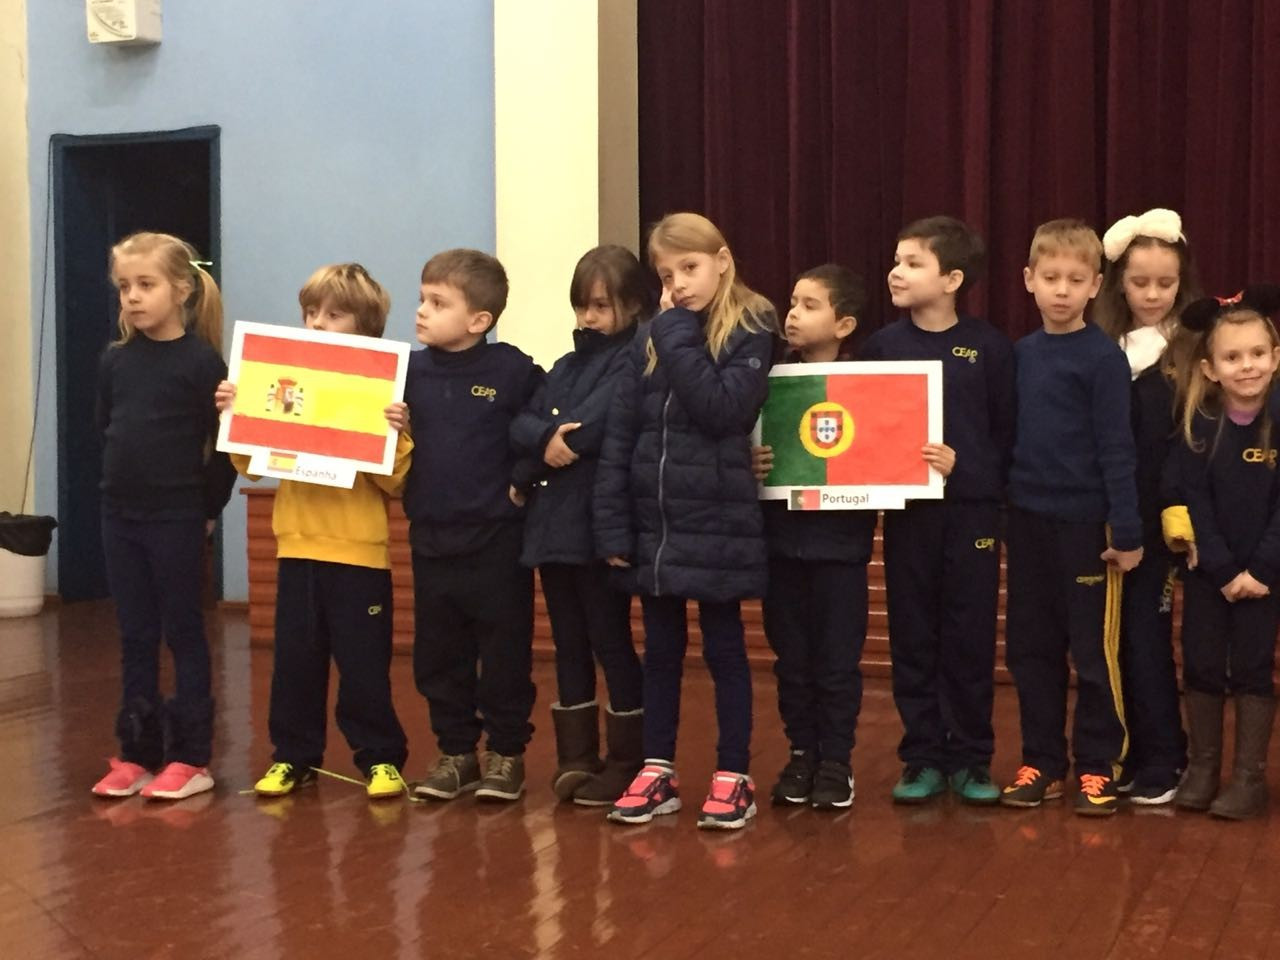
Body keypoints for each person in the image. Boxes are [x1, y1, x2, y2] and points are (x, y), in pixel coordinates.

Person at [595, 212, 774, 830]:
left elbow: (721, 409)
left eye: (690, 268)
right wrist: (613, 525)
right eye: (667, 275)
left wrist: (673, 330)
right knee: (662, 651)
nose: (679, 284)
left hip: (717, 523)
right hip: (656, 526)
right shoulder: (650, 338)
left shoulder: (751, 328)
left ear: (722, 261)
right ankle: (657, 771)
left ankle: (733, 775)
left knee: (725, 648)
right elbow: (621, 435)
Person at [217, 263, 411, 801]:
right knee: (294, 664)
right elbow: (249, 465)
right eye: (310, 313)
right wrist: (235, 414)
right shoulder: (287, 380)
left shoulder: (383, 395)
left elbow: (397, 480)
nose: (318, 323)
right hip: (298, 547)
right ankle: (293, 758)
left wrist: (391, 433)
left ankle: (380, 759)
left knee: (364, 667)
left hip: (360, 555)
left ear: (365, 327)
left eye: (334, 314)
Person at [862, 216, 1015, 805]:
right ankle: (922, 755)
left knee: (969, 638)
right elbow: (865, 433)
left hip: (972, 517)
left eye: (913, 263)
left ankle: (972, 758)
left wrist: (964, 468)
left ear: (952, 279)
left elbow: (1006, 437)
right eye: (896, 260)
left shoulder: (990, 347)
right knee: (913, 636)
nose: (896, 272)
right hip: (910, 519)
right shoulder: (882, 348)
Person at [1000, 219, 1142, 817]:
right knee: (1030, 649)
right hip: (1028, 524)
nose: (1062, 289)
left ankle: (1097, 765)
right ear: (1029, 279)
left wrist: (1126, 530)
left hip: (1089, 530)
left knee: (1094, 654)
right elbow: (1008, 439)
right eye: (1051, 277)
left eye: (1075, 279)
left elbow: (1117, 449)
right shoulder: (1020, 355)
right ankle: (1042, 762)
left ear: (1095, 286)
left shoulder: (1103, 358)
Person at [91, 231, 236, 801]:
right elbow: (105, 427)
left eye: (145, 285)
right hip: (119, 515)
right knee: (135, 634)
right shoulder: (115, 360)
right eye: (124, 286)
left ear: (181, 290)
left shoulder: (201, 362)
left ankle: (191, 756)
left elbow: (223, 446)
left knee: (183, 632)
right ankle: (137, 753)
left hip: (176, 516)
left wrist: (207, 509)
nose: (132, 296)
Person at [510, 246, 654, 806]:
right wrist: (543, 440)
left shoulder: (634, 361)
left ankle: (626, 760)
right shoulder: (564, 367)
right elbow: (524, 423)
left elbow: (591, 427)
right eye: (581, 306)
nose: (587, 318)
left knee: (610, 641)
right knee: (567, 643)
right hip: (552, 529)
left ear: (633, 305)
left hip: (598, 530)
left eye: (600, 306)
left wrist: (541, 447)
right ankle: (576, 758)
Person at [403, 249, 544, 803]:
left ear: (479, 320)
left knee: (504, 653)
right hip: (430, 539)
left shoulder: (512, 371)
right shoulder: (407, 373)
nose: (422, 311)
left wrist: (525, 479)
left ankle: (506, 754)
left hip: (496, 542)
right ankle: (456, 753)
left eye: (438, 303)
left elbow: (544, 426)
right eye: (422, 299)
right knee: (439, 656)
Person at [752, 264, 875, 811]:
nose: (793, 315)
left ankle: (836, 763)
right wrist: (750, 462)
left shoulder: (870, 385)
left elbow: (880, 454)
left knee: (837, 662)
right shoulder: (768, 378)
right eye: (792, 303)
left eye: (809, 305)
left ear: (843, 324)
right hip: (781, 545)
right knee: (792, 661)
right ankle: (801, 754)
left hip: (841, 549)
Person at [1094, 208, 1201, 804]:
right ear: (1119, 283)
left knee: (1147, 637)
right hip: (1106, 519)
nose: (1154, 295)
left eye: (1166, 283)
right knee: (1108, 644)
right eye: (1140, 283)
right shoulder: (1102, 348)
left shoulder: (1190, 352)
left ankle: (1165, 756)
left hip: (1160, 527)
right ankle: (1125, 751)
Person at [1163, 285, 1280, 820]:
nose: (1247, 366)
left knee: (1253, 669)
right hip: (1212, 574)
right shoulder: (1199, 424)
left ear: (1275, 357)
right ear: (1210, 369)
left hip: (1265, 577)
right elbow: (1196, 504)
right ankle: (1203, 769)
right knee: (1203, 664)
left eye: (1257, 354)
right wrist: (1222, 567)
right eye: (1233, 357)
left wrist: (1259, 569)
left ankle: (1248, 779)